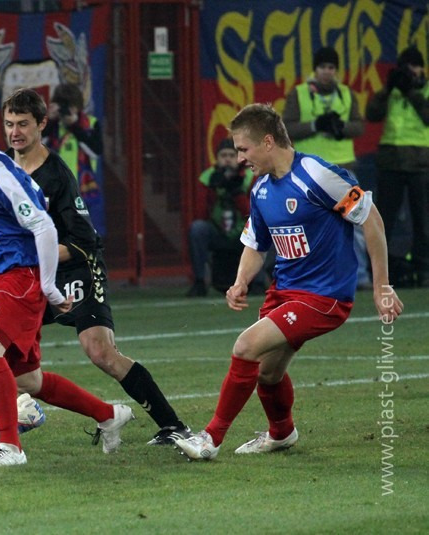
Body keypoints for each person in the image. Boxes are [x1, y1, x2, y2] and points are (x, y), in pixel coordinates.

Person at [0, 88, 190, 446]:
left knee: (100, 352)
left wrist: (34, 259)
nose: (15, 132)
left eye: (23, 124)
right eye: (9, 124)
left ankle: (172, 426)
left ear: (42, 124)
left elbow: (83, 241)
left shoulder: (57, 176)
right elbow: (2, 226)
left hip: (73, 270)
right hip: (29, 276)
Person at [174, 103, 403, 461]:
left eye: (243, 149)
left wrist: (382, 286)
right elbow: (256, 244)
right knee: (268, 374)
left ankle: (210, 439)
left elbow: (371, 219)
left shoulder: (316, 174)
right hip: (284, 292)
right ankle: (281, 434)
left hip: (324, 297)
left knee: (245, 346)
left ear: (268, 142)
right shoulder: (261, 189)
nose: (239, 159)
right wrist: (240, 281)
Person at [0, 104, 134, 467]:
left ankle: (10, 447)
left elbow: (43, 225)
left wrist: (49, 285)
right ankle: (108, 414)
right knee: (29, 381)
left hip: (19, 279)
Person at [283, 46, 371, 290]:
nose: (326, 72)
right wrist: (315, 125)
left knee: (355, 222)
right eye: (322, 67)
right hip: (309, 173)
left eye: (331, 67)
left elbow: (359, 126)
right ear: (315, 69)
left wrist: (340, 127)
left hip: (343, 172)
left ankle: (360, 277)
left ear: (336, 70)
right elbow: (286, 128)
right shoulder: (299, 93)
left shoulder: (346, 93)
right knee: (306, 224)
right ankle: (307, 278)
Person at [365, 45, 429, 287]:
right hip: (391, 160)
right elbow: (372, 114)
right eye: (406, 67)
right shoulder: (392, 91)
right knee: (384, 220)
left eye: (415, 66)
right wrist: (387, 89)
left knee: (423, 221)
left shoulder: (424, 90)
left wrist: (410, 91)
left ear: (422, 68)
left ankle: (424, 269)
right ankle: (382, 271)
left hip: (421, 162)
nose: (411, 71)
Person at [186, 138, 255, 297]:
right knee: (197, 229)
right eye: (223, 156)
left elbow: (253, 214)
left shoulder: (249, 176)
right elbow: (200, 215)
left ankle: (257, 283)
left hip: (242, 233)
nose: (227, 160)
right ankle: (199, 282)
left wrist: (237, 193)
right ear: (216, 158)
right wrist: (212, 189)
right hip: (217, 231)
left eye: (232, 155)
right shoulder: (207, 177)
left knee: (260, 228)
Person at [43, 83, 102, 199]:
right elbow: (34, 149)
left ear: (78, 106)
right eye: (64, 106)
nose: (68, 110)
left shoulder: (90, 124)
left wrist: (74, 126)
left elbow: (95, 152)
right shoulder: (52, 125)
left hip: (81, 189)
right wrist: (49, 120)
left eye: (71, 106)